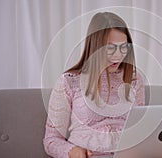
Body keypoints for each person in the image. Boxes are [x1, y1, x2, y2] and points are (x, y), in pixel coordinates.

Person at [43, 12, 145, 158]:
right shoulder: (69, 81)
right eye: (110, 48)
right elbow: (51, 140)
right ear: (95, 46)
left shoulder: (135, 79)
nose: (118, 55)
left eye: (123, 47)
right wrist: (72, 151)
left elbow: (141, 130)